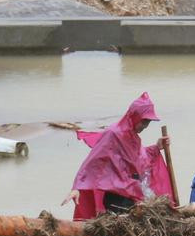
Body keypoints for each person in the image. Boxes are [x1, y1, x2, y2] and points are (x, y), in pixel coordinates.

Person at [64, 92, 173, 221]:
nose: (145, 127)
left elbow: (139, 162)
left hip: (131, 195)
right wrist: (77, 187)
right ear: (135, 117)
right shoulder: (113, 134)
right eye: (143, 122)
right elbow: (93, 162)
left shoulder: (134, 138)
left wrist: (156, 147)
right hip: (116, 197)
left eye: (147, 123)